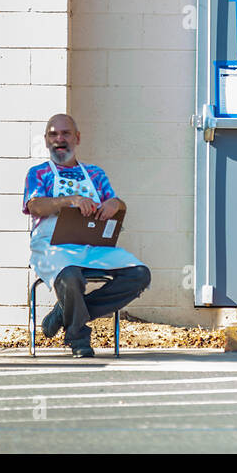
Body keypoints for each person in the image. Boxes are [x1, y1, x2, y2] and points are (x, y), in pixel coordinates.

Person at [22, 114, 151, 357]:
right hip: (53, 248)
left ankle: (65, 312)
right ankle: (78, 337)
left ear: (77, 137)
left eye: (66, 133)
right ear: (46, 140)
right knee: (70, 276)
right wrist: (69, 201)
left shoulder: (95, 174)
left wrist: (116, 203)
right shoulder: (38, 173)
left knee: (139, 274)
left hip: (92, 247)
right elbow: (36, 206)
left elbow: (116, 202)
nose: (59, 139)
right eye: (53, 134)